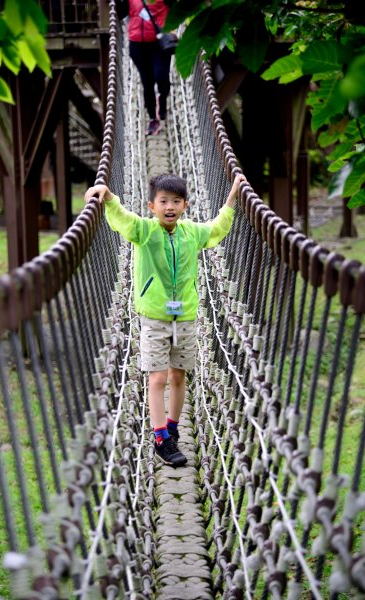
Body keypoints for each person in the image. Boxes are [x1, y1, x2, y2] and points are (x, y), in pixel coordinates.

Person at [84, 172, 246, 467]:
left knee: (178, 376)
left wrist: (233, 197)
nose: (169, 207)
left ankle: (172, 428)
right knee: (157, 377)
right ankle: (160, 438)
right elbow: (123, 219)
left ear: (185, 206)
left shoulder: (191, 233)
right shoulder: (144, 231)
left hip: (185, 316)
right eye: (163, 201)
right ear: (151, 206)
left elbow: (216, 229)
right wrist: (108, 197)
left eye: (176, 201)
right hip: (155, 318)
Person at [117, 0, 172, 135]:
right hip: (137, 45)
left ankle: (162, 97)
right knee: (147, 83)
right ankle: (153, 119)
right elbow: (120, 13)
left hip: (159, 43)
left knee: (162, 77)